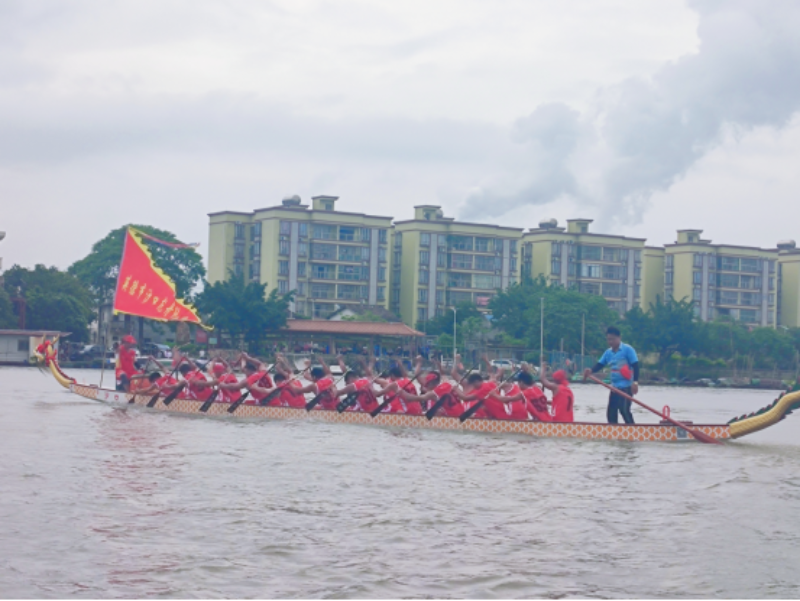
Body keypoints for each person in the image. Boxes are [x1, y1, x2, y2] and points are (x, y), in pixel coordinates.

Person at [583, 326, 639, 424]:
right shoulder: (608, 352)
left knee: (624, 410)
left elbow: (636, 366)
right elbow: (600, 364)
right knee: (611, 413)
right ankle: (614, 433)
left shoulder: (628, 349)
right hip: (615, 388)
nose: (610, 342)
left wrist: (635, 382)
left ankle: (633, 431)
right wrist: (590, 371)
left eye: (612, 339)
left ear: (619, 338)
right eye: (608, 339)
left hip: (626, 387)